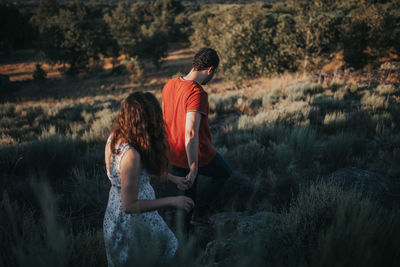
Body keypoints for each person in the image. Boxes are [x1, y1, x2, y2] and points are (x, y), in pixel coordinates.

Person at [103, 92, 194, 266]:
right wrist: (173, 201)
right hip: (134, 223)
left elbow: (136, 174)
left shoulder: (114, 138)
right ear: (145, 120)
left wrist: (173, 178)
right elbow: (129, 206)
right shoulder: (131, 154)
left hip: (116, 215)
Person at [162, 48, 232, 233]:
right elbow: (191, 132)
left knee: (187, 198)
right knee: (224, 173)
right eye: (214, 73)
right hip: (198, 154)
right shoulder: (197, 93)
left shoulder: (169, 85)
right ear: (209, 70)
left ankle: (185, 242)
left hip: (174, 152)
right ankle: (200, 215)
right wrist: (194, 168)